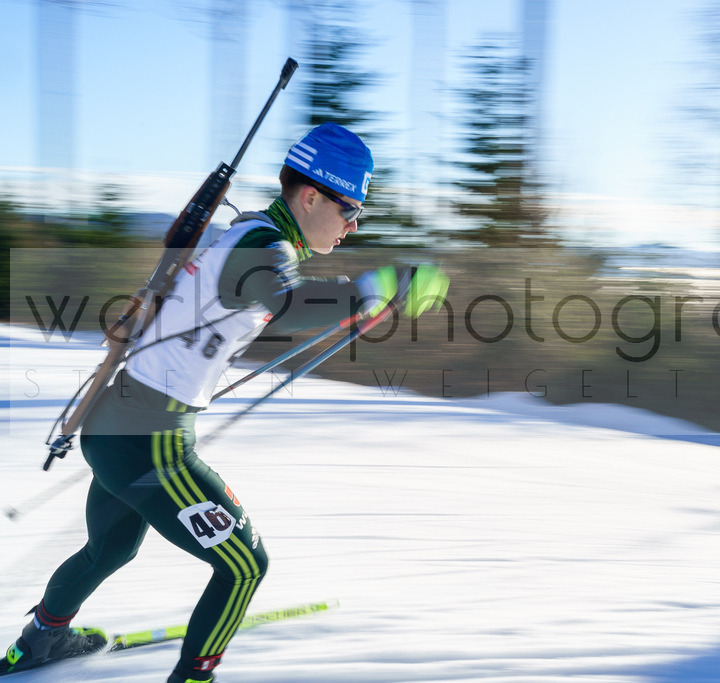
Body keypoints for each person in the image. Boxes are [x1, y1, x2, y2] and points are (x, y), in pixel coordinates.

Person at [3, 123, 448, 683]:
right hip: (151, 439)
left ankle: (40, 641)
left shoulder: (244, 234)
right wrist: (372, 287)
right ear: (311, 196)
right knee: (244, 567)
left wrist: (359, 302)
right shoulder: (263, 247)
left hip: (115, 423)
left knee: (109, 549)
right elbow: (282, 301)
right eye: (350, 209)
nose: (353, 226)